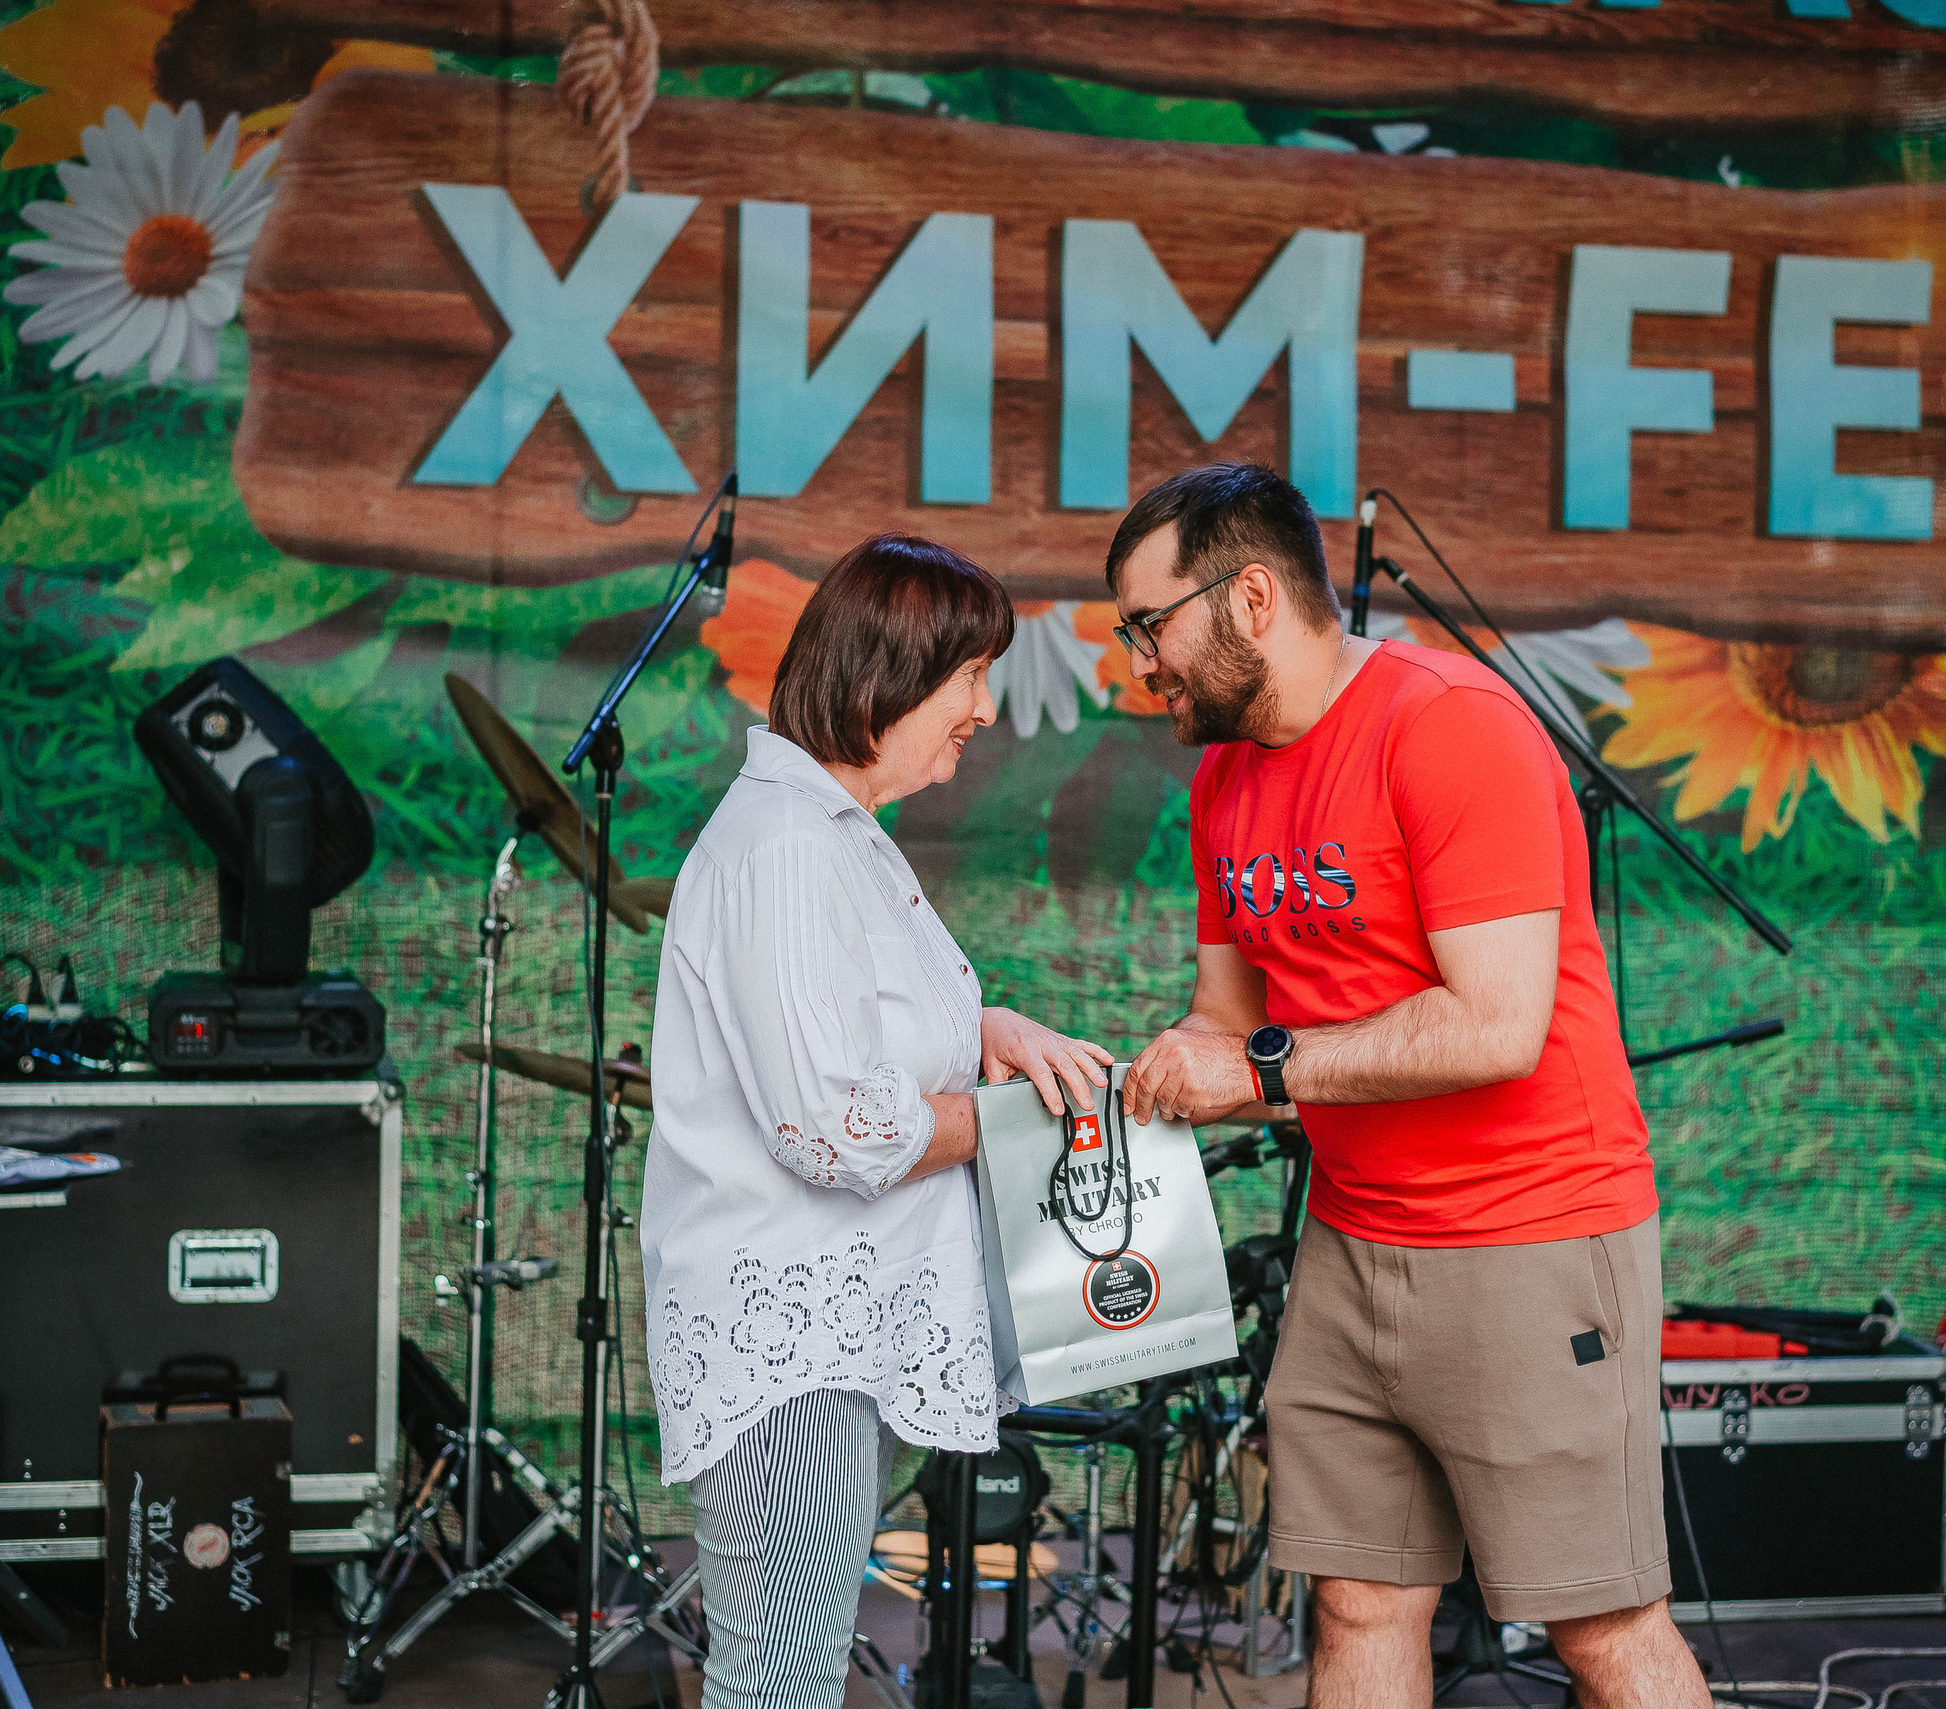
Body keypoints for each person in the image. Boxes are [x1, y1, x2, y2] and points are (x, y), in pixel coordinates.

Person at [1109, 465, 1707, 1708]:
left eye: (1146, 622)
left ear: (1251, 596)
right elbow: (1227, 1026)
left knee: (1601, 1624)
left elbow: (1495, 1025)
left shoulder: (1450, 723)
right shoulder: (1223, 780)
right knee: (1360, 1594)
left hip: (1529, 1234)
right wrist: (1128, 1079)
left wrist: (1259, 1066)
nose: (1138, 660)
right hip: (1353, 1238)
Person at [641, 533, 1115, 1709]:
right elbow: (838, 1129)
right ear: (885, 676)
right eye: (967, 677)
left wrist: (988, 1023)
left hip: (827, 1337)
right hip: (788, 1350)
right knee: (779, 1685)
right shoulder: (790, 848)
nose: (985, 707)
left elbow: (865, 1028)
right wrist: (1013, 1115)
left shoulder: (836, 836)